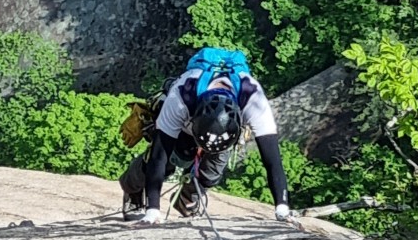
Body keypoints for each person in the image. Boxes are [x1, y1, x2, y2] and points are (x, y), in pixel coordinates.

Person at [119, 60, 291, 225]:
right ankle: (133, 190)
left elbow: (272, 161)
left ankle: (186, 199)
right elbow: (158, 156)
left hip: (222, 132)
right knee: (171, 160)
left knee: (212, 172)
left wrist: (282, 209)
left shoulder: (254, 101)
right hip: (186, 126)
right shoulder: (181, 97)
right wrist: (152, 211)